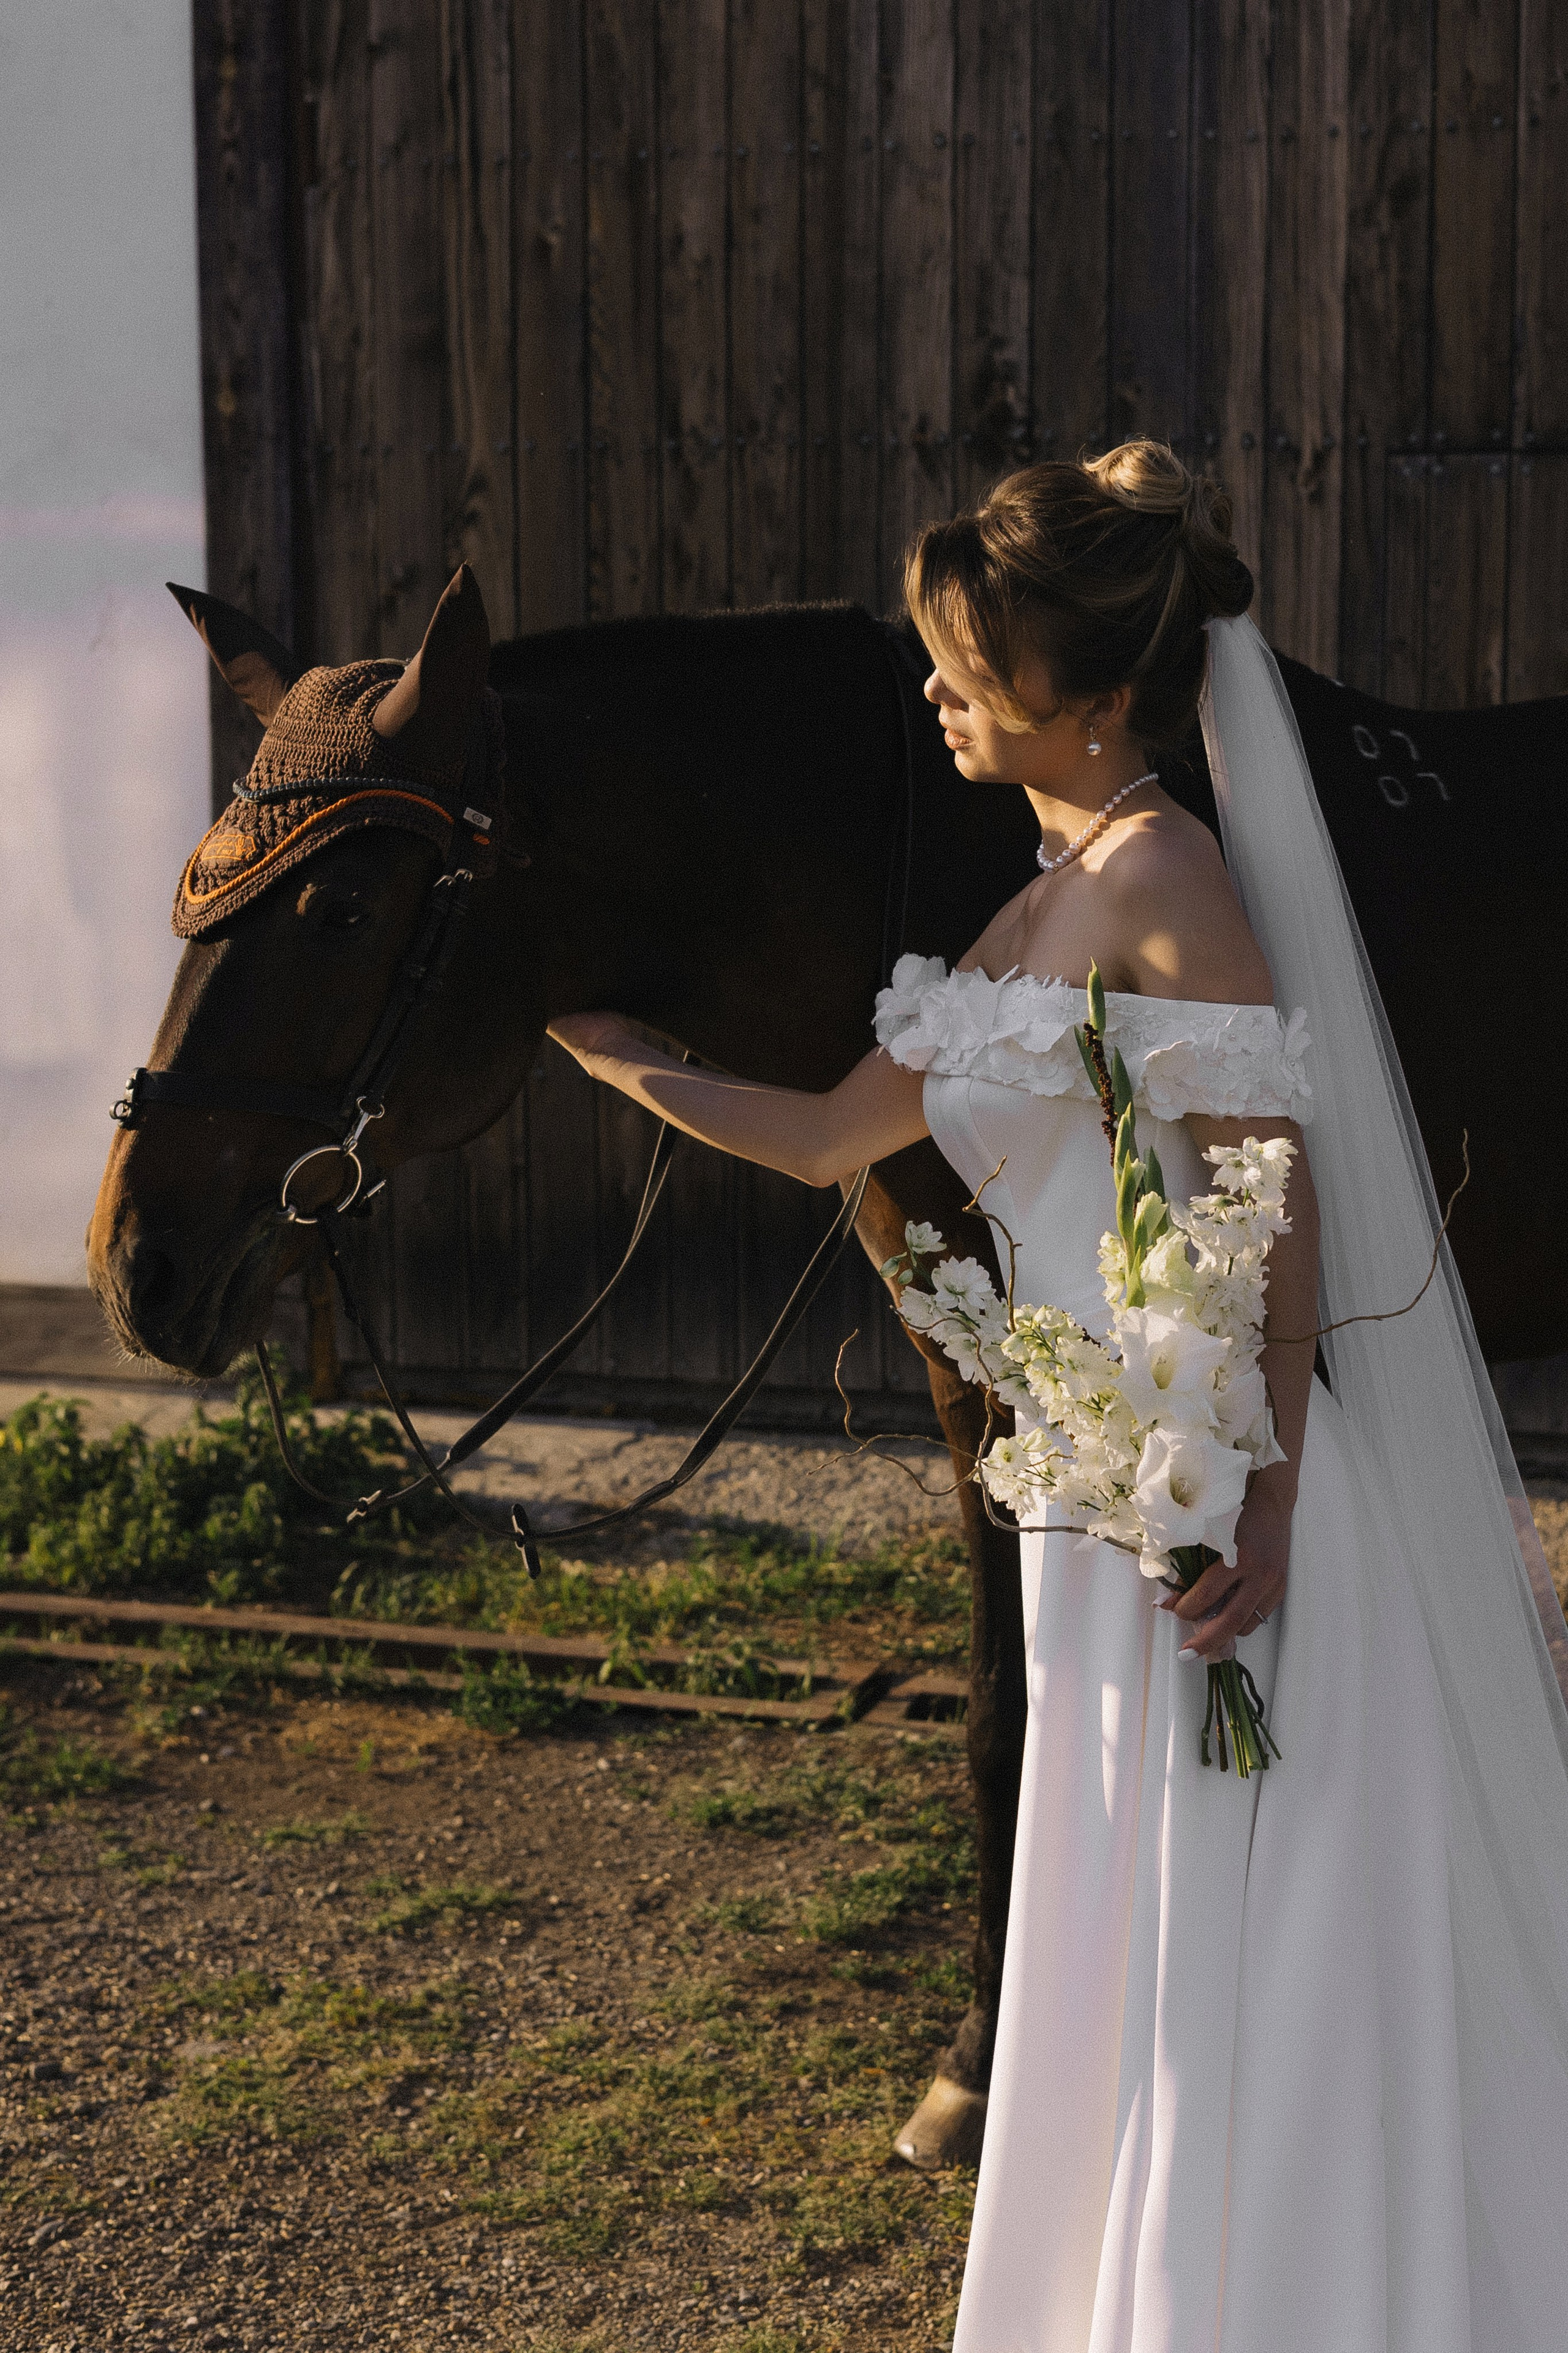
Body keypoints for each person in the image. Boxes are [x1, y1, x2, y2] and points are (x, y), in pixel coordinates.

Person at [549, 443, 1568, 2351]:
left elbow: (1271, 1194)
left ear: (1097, 699)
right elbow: (836, 1132)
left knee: (1244, 1930)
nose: (936, 691)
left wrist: (1252, 1489)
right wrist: (620, 1061)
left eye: (970, 665)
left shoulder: (1167, 874)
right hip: (1086, 1490)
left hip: (1207, 1493)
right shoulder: (1048, 883)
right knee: (1122, 1915)